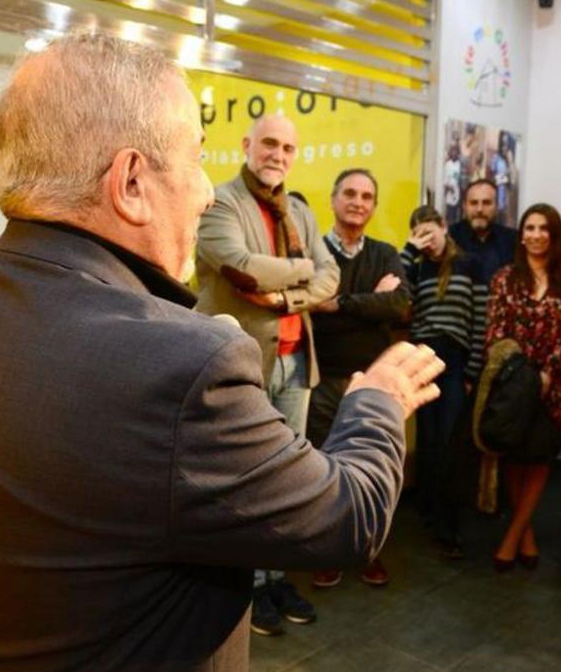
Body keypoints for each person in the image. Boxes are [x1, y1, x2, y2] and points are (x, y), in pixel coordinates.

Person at [0, 33, 443, 672]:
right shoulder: (179, 366)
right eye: (196, 160)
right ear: (132, 183)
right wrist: (377, 399)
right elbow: (348, 516)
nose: (204, 194)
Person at [195, 113, 340, 636]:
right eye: (269, 144)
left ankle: (275, 576)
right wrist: (303, 269)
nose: (278, 155)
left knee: (284, 477)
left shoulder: (299, 210)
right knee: (246, 476)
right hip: (244, 362)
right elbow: (241, 265)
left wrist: (284, 298)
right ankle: (249, 585)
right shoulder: (219, 201)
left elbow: (332, 274)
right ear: (247, 145)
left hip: (297, 361)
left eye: (288, 148)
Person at [307, 168, 410, 589]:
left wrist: (341, 303)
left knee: (374, 470)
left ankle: (368, 550)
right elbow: (312, 307)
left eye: (366, 196)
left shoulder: (385, 253)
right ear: (333, 200)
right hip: (321, 379)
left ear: (374, 206)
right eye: (349, 193)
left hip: (372, 384)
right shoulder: (314, 251)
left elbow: (399, 306)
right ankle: (327, 553)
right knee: (322, 471)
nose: (357, 202)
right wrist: (372, 301)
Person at [484, 203, 561, 571]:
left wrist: (547, 373)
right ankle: (524, 534)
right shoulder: (504, 278)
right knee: (514, 455)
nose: (536, 235)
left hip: (555, 385)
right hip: (513, 382)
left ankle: (513, 536)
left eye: (544, 228)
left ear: (555, 236)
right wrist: (524, 376)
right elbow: (495, 332)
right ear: (521, 235)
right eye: (530, 227)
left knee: (539, 457)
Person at [401, 205, 487, 558]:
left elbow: (480, 319)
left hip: (455, 358)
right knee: (428, 440)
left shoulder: (469, 264)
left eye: (429, 231)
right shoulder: (417, 267)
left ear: (443, 227)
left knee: (449, 442)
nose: (427, 240)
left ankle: (448, 523)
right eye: (418, 234)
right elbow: (397, 297)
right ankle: (430, 511)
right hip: (422, 356)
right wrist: (408, 251)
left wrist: (472, 371)